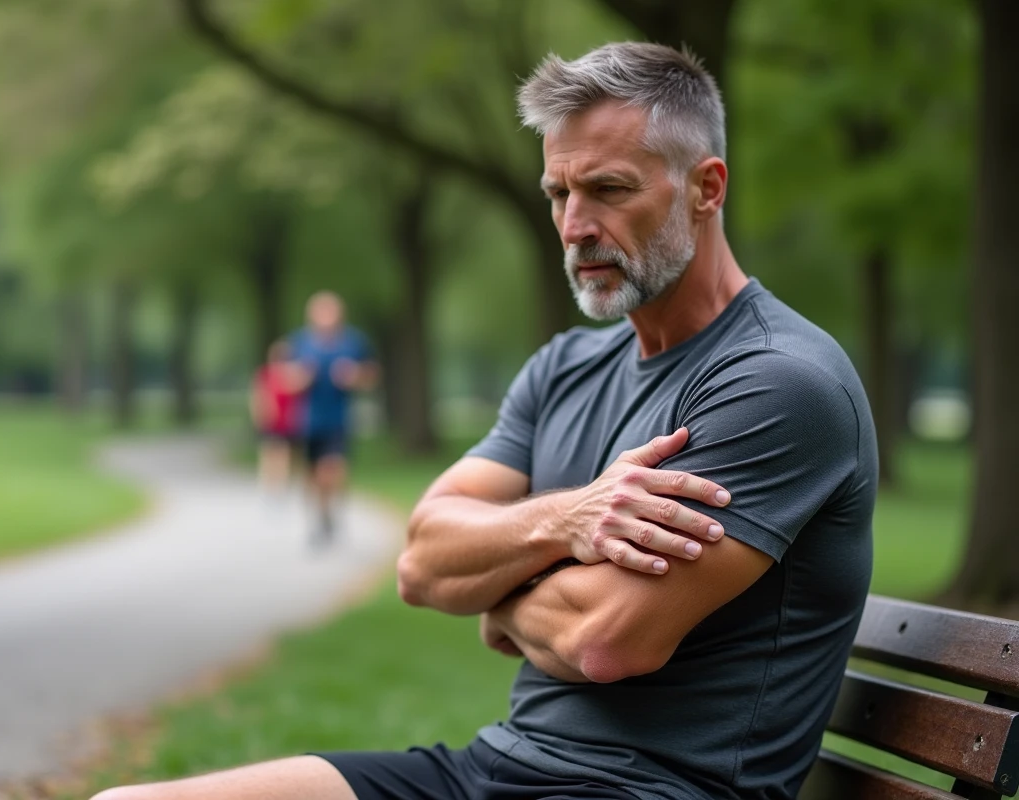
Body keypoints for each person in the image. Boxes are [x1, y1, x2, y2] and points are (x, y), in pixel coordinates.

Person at [90, 42, 876, 800]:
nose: (574, 227)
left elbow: (605, 640)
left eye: (608, 189)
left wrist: (498, 596)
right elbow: (424, 560)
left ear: (706, 188)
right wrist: (565, 524)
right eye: (559, 195)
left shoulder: (777, 384)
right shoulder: (566, 366)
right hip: (490, 771)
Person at [289, 291, 378, 546]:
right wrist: (301, 377)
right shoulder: (300, 342)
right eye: (321, 312)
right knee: (312, 475)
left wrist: (355, 376)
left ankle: (332, 511)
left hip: (339, 420)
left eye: (331, 311)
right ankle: (319, 516)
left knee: (333, 469)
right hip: (308, 421)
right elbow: (285, 378)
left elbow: (371, 376)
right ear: (312, 315)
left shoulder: (353, 342)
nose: (326, 317)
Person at [249, 339, 306, 494]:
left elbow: (299, 391)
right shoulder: (266, 373)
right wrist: (259, 415)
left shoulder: (293, 374)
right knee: (271, 451)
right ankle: (270, 484)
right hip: (271, 420)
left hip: (289, 422)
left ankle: (282, 482)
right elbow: (258, 395)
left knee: (287, 454)